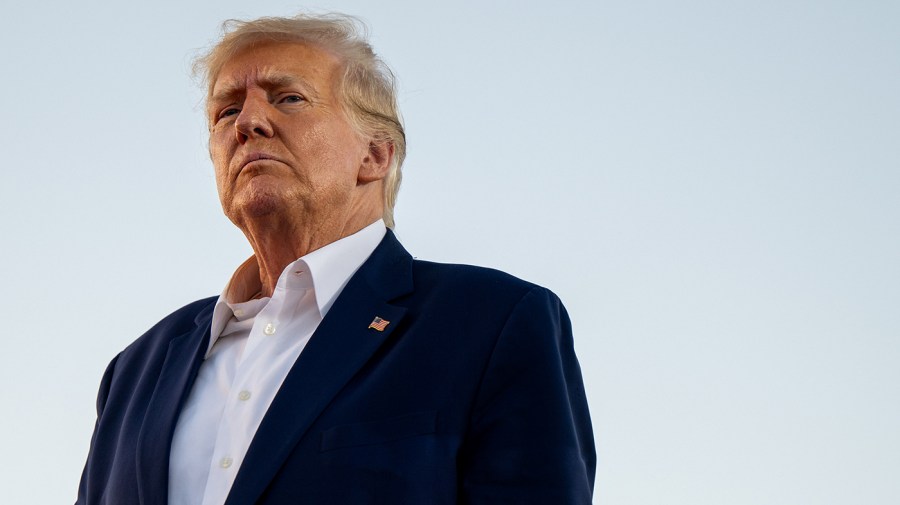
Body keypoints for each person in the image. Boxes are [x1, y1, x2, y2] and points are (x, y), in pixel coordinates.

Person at [75, 13, 595, 505]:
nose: (249, 122)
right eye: (227, 110)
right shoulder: (136, 369)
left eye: (289, 98)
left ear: (375, 154)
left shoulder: (492, 322)